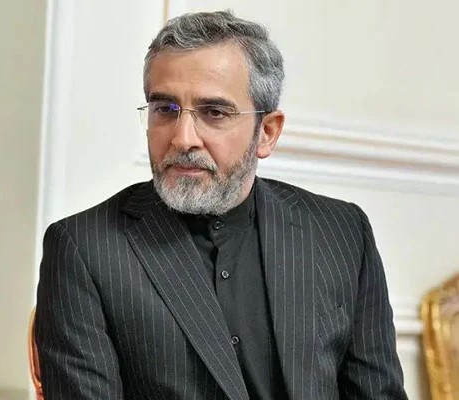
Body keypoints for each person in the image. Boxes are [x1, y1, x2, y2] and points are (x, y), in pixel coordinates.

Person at [34, 9, 407, 400]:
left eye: (213, 113)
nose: (183, 139)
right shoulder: (85, 249)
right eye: (165, 110)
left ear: (267, 132)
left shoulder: (341, 233)